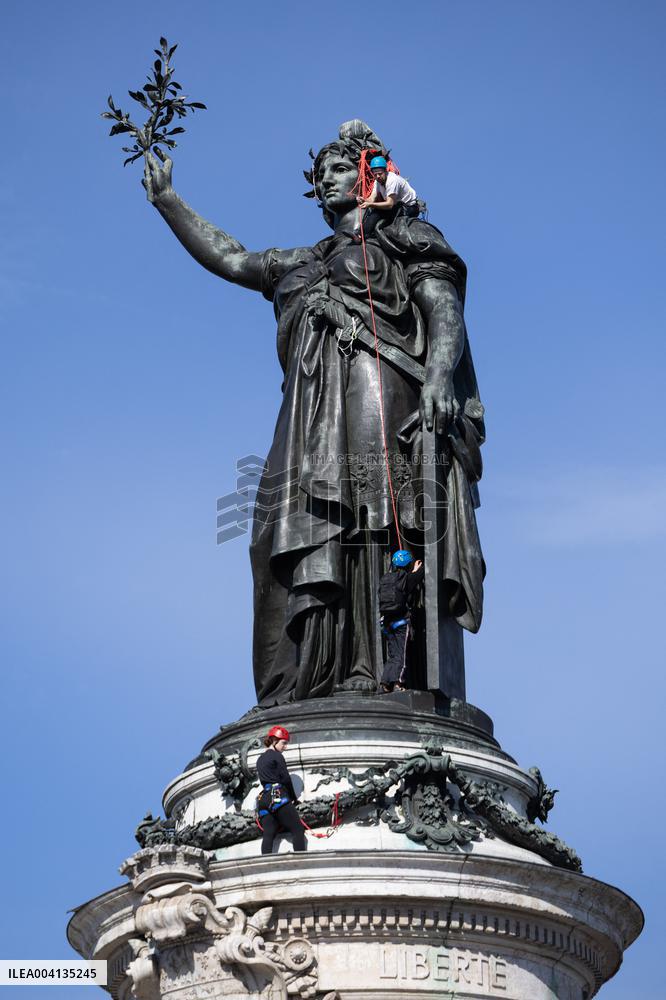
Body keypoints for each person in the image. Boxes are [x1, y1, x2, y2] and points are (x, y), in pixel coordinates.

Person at [142, 119, 485, 707]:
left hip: (384, 393)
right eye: (320, 173)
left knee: (380, 519)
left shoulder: (407, 242)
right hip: (310, 419)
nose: (326, 180)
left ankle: (381, 670)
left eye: (338, 168)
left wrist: (438, 377)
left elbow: (444, 310)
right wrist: (171, 203)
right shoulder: (301, 263)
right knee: (282, 531)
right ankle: (312, 671)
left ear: (370, 174)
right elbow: (229, 258)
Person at [255, 725, 306, 854]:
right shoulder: (277, 756)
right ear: (274, 740)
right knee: (297, 829)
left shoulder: (260, 759)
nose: (285, 747)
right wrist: (294, 798)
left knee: (269, 833)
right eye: (283, 743)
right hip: (277, 796)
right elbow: (286, 779)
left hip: (263, 800)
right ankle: (301, 861)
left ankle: (265, 862)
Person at [378, 550, 424, 692]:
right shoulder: (405, 578)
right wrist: (416, 569)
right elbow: (417, 577)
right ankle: (398, 683)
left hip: (386, 623)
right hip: (401, 623)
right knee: (401, 655)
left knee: (392, 655)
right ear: (407, 564)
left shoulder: (385, 579)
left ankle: (385, 683)